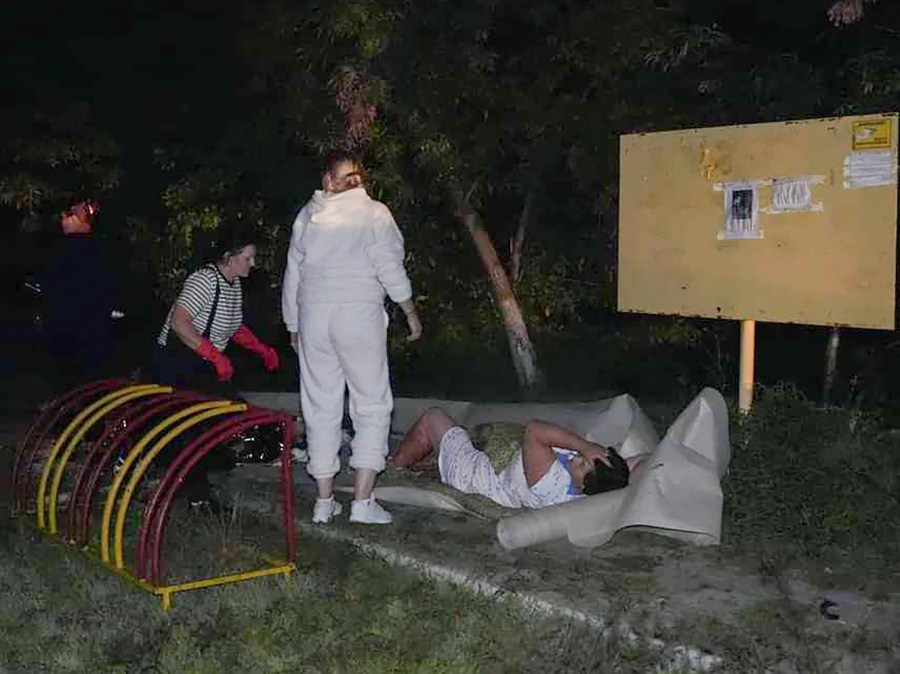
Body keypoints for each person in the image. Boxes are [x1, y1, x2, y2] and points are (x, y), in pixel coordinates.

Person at [281, 152, 422, 525]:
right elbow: (388, 266)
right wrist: (408, 310)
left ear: (329, 182)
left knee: (320, 405)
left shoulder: (307, 217)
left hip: (314, 316)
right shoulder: (374, 213)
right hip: (358, 315)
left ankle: (325, 503)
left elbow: (292, 275)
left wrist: (293, 325)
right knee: (372, 403)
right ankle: (362, 502)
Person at [391, 408, 637, 509]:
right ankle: (428, 462)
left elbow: (534, 430)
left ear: (584, 486)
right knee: (455, 434)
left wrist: (586, 445)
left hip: (471, 475)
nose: (579, 457)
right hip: (497, 462)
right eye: (583, 456)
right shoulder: (594, 483)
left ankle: (395, 468)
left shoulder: (550, 484)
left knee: (433, 418)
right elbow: (641, 462)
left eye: (582, 464)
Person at [152, 227, 280, 394]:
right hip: (177, 364)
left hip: (204, 364)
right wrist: (216, 357)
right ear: (228, 258)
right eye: (247, 258)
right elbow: (179, 322)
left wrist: (261, 349)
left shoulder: (234, 283)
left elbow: (231, 326)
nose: (253, 264)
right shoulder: (205, 280)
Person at [39, 197, 119, 391]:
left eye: (69, 214)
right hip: (74, 334)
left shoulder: (79, 250)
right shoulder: (97, 250)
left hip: (79, 334)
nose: (63, 219)